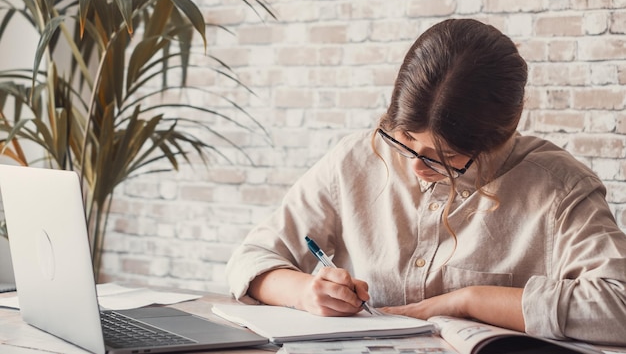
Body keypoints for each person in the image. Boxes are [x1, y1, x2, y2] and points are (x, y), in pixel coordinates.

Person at [225, 18, 626, 345]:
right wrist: (305, 292)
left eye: (448, 158)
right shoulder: (357, 159)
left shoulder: (558, 187)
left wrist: (469, 301)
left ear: (500, 136)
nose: (418, 167)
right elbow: (251, 259)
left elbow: (618, 308)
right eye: (405, 141)